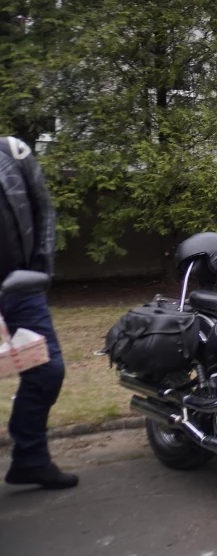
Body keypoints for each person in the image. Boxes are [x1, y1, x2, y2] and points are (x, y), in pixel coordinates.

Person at [1, 136, 77, 490]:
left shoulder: (13, 153)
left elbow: (43, 209)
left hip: (21, 289)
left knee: (46, 371)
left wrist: (41, 269)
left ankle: (30, 459)